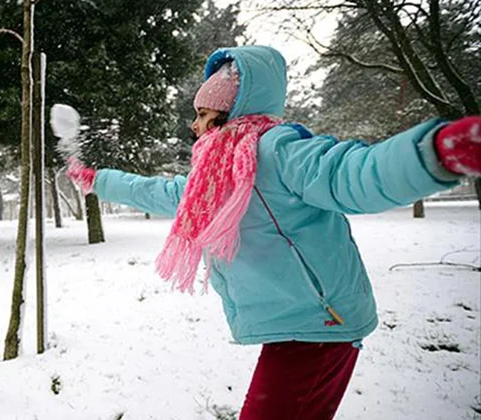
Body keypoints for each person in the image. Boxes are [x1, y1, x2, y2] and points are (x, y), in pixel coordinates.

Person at [65, 45, 481, 420]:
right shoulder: (214, 174)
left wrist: (436, 152)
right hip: (296, 325)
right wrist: (99, 180)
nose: (194, 126)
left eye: (203, 115)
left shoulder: (278, 150)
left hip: (321, 324)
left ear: (231, 114)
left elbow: (352, 173)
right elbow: (158, 191)